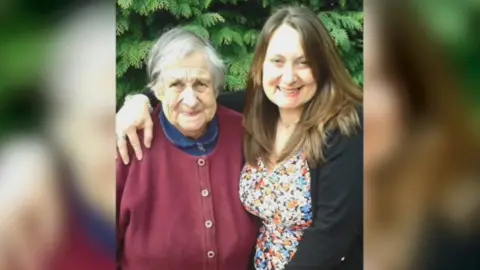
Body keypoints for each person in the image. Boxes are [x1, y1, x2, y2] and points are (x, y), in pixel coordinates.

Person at [117, 6, 363, 270]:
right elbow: (193, 96)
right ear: (261, 65)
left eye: (304, 62)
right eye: (277, 61)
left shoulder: (346, 126)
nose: (289, 77)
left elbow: (331, 235)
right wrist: (142, 99)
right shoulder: (259, 108)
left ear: (323, 67)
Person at [116, 28, 259, 270]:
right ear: (157, 91)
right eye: (176, 85)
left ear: (216, 89)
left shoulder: (245, 134)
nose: (191, 100)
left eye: (201, 84)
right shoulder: (127, 146)